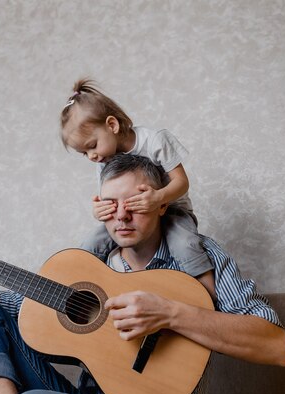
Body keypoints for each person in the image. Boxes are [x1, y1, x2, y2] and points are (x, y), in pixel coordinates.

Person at [0, 154, 285, 394]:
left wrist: (171, 313)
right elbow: (9, 306)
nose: (122, 217)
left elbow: (277, 347)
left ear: (162, 203)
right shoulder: (87, 267)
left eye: (136, 203)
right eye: (111, 205)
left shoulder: (198, 258)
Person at [60, 78, 213, 280]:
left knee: (184, 245)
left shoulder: (155, 140)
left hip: (173, 211)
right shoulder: (103, 163)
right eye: (84, 153)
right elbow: (107, 199)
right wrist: (100, 209)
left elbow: (182, 183)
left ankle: (209, 295)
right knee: (90, 244)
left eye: (92, 145)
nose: (92, 156)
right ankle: (71, 290)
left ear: (112, 125)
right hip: (132, 217)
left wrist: (158, 198)